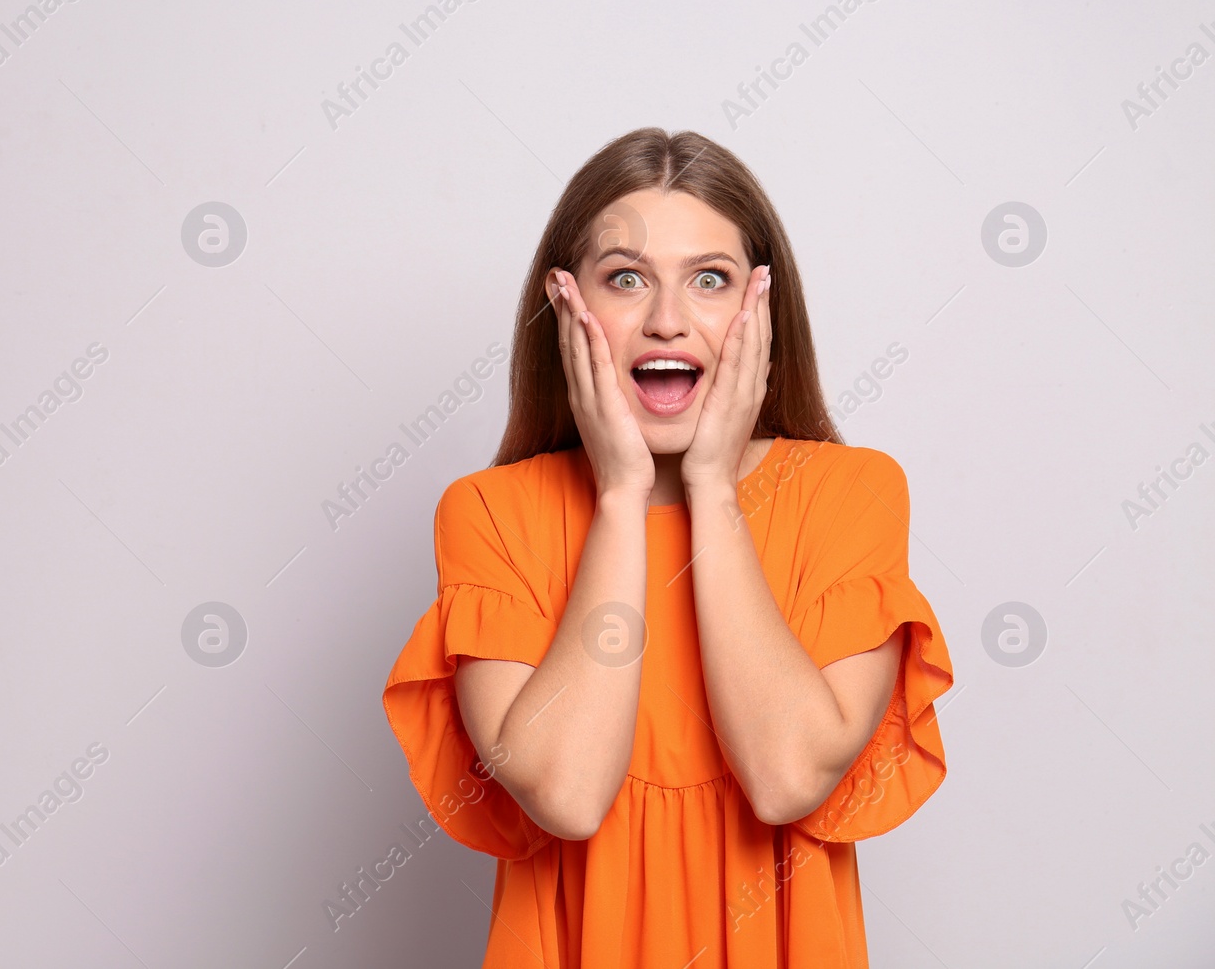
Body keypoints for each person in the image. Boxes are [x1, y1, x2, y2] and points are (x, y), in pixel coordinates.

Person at [382, 127, 954, 967]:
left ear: (763, 309)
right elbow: (568, 795)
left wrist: (713, 489)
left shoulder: (851, 494)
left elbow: (788, 776)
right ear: (566, 304)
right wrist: (619, 497)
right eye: (625, 279)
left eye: (710, 280)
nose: (666, 321)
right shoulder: (490, 514)